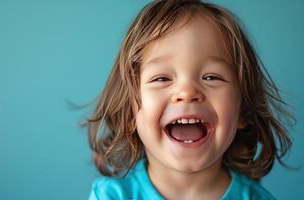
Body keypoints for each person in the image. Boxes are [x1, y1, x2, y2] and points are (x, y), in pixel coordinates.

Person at [85, 0, 294, 199]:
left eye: (211, 77)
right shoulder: (111, 196)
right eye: (162, 78)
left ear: (244, 110)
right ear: (130, 112)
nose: (187, 92)